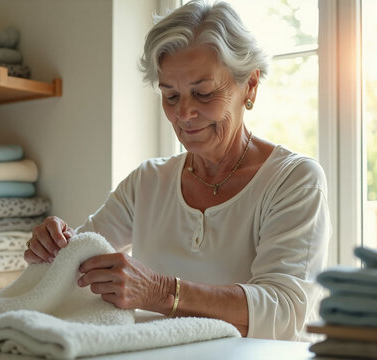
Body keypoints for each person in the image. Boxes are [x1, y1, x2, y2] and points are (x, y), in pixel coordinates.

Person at [24, 0, 330, 341]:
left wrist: (160, 291)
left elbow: (284, 312)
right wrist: (54, 250)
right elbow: (76, 270)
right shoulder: (148, 182)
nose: (184, 113)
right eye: (170, 96)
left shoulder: (294, 180)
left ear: (251, 86)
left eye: (203, 92)